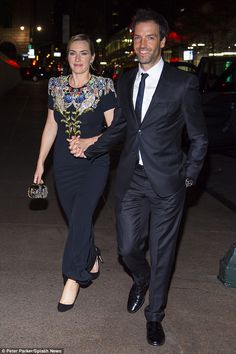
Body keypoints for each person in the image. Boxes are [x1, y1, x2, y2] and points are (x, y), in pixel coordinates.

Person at [82, 8, 208, 347]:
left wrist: (189, 177)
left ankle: (154, 317)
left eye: (150, 37)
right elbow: (122, 127)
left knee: (163, 252)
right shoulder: (124, 80)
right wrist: (90, 148)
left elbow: (199, 137)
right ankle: (141, 277)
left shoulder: (183, 83)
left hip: (168, 182)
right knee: (126, 247)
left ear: (162, 42)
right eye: (137, 37)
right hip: (131, 179)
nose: (142, 43)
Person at [33, 34, 117, 312]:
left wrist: (89, 143)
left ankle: (73, 277)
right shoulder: (55, 85)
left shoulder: (104, 86)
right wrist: (41, 163)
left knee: (81, 216)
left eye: (84, 53)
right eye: (72, 53)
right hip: (65, 164)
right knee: (77, 220)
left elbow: (115, 129)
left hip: (95, 163)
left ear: (93, 57)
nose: (78, 59)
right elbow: (51, 125)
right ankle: (91, 257)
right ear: (66, 57)